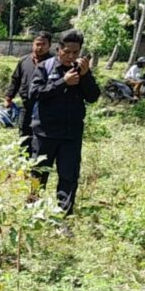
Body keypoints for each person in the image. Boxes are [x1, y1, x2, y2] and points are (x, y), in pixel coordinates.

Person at [29, 29, 100, 214]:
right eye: (66, 52)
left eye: (75, 52)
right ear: (58, 49)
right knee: (38, 174)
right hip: (45, 133)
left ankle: (64, 216)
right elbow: (35, 94)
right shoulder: (45, 67)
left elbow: (93, 97)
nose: (71, 56)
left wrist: (85, 76)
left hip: (71, 135)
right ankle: (31, 212)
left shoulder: (81, 70)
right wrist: (62, 82)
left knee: (69, 176)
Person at [4, 31, 53, 156]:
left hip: (45, 106)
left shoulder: (52, 63)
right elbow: (15, 80)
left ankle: (37, 161)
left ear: (49, 46)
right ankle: (24, 160)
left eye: (43, 44)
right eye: (37, 44)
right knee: (24, 133)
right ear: (33, 44)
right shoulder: (24, 61)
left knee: (41, 134)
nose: (40, 47)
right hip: (26, 105)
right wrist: (9, 97)